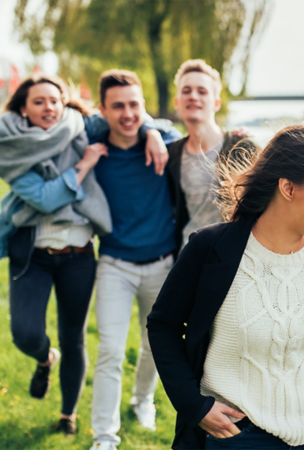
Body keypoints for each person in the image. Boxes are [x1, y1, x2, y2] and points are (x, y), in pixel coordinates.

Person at [148, 124, 304, 449]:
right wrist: (193, 405)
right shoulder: (211, 248)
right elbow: (163, 325)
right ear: (288, 187)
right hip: (236, 436)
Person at [0, 75, 113, 435]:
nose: (49, 107)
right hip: (32, 252)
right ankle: (43, 358)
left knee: (74, 338)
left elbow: (125, 116)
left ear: (64, 103)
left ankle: (68, 414)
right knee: (24, 333)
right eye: (39, 101)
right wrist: (84, 164)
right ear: (23, 108)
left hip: (79, 255)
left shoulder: (81, 124)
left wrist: (157, 137)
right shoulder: (13, 145)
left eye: (55, 100)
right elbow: (45, 199)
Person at [88, 69, 182, 450]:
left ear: (143, 106)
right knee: (109, 350)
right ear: (103, 110)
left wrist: (154, 132)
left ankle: (142, 400)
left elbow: (174, 129)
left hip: (161, 264)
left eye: (134, 104)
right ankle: (104, 437)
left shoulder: (167, 142)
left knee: (154, 345)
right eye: (118, 106)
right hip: (114, 263)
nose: (127, 113)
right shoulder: (93, 145)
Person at [165, 59, 257, 250]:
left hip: (232, 254)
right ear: (177, 103)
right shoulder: (172, 153)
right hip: (189, 254)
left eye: (202, 91)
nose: (193, 96)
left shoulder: (242, 147)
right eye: (186, 91)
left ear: (216, 103)